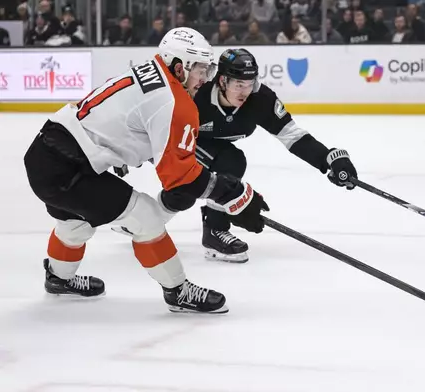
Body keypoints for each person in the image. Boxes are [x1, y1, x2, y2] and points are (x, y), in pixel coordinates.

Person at [23, 28, 268, 313]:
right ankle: (178, 291)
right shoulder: (175, 101)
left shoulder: (149, 70)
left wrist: (117, 148)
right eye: (201, 68)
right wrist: (234, 194)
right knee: (146, 218)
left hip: (45, 154)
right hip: (68, 168)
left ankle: (58, 278)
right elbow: (179, 176)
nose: (206, 76)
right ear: (180, 67)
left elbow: (122, 116)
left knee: (75, 222)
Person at [189, 48, 357, 263]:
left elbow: (292, 135)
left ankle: (142, 221)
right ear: (221, 81)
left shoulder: (261, 99)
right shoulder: (198, 92)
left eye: (249, 85)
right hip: (176, 142)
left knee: (181, 198)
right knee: (230, 163)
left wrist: (328, 158)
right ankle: (214, 229)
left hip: (212, 146)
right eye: (238, 85)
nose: (245, 92)